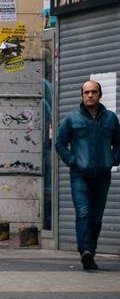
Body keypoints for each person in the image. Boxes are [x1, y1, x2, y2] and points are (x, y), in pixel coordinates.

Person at [56, 80, 120, 270]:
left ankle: (90, 251)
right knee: (83, 212)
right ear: (82, 96)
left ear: (100, 95)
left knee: (96, 217)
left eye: (94, 92)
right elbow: (60, 143)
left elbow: (118, 142)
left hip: (102, 175)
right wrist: (72, 161)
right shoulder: (71, 118)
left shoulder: (110, 118)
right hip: (80, 175)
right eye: (86, 92)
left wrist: (113, 159)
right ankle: (85, 251)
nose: (90, 95)